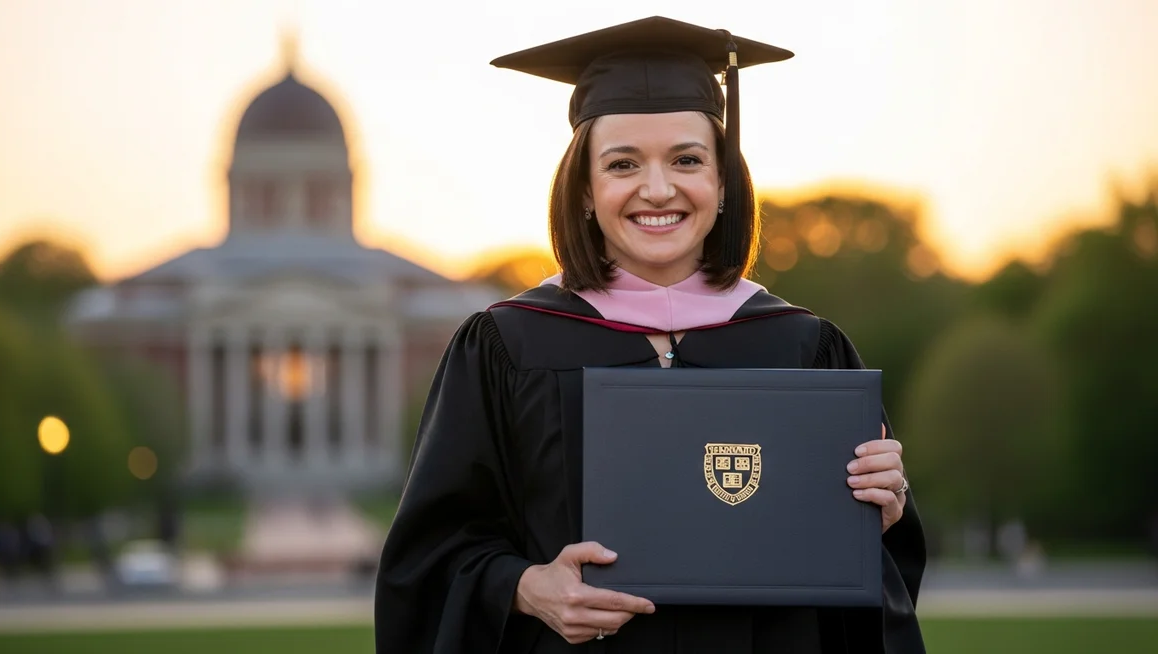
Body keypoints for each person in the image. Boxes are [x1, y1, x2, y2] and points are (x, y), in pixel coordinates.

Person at [374, 15, 926, 653]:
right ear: (585, 189)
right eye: (623, 164)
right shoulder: (508, 347)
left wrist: (880, 512)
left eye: (687, 160)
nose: (658, 189)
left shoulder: (804, 348)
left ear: (723, 182)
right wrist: (524, 587)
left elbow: (868, 594)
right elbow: (429, 561)